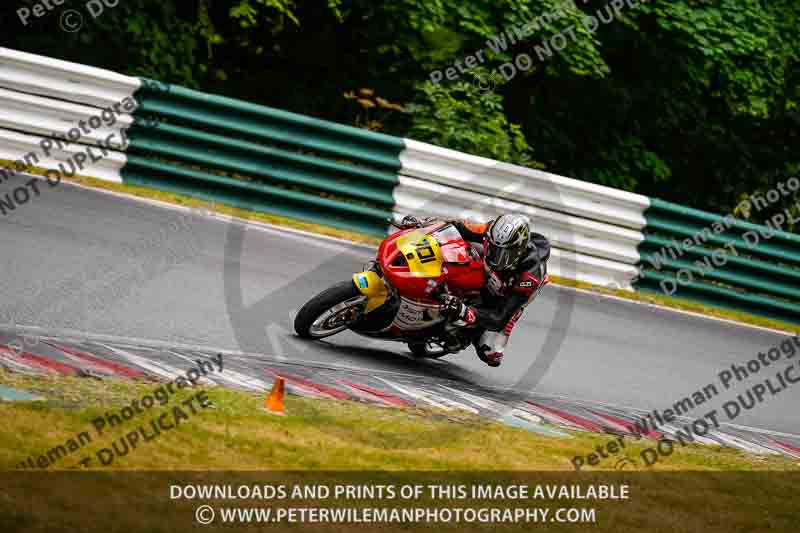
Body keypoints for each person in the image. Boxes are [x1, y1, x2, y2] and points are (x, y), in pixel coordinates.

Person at [399, 214, 550, 367]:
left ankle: (466, 332)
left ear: (518, 252)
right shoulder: (488, 230)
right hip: (487, 271)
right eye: (493, 248)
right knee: (458, 247)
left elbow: (500, 317)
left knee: (490, 354)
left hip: (510, 292)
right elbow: (457, 226)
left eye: (503, 254)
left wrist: (467, 313)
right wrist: (424, 225)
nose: (496, 257)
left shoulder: (530, 277)